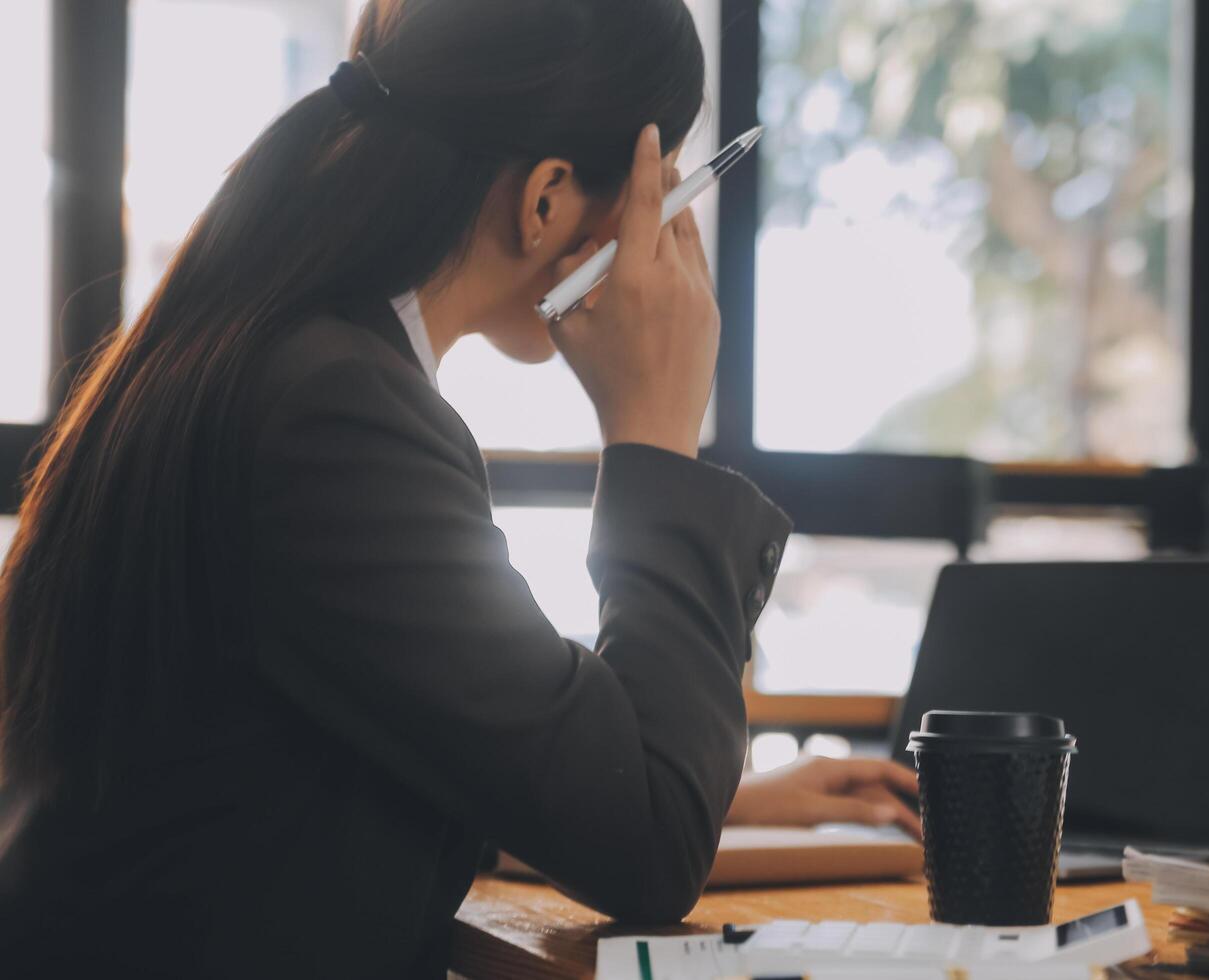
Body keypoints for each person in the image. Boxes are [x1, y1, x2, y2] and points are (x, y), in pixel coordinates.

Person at [0, 1, 915, 976]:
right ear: (548, 199)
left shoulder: (274, 350)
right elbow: (648, 854)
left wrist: (731, 793)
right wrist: (654, 433)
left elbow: (392, 746)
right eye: (663, 188)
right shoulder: (339, 413)